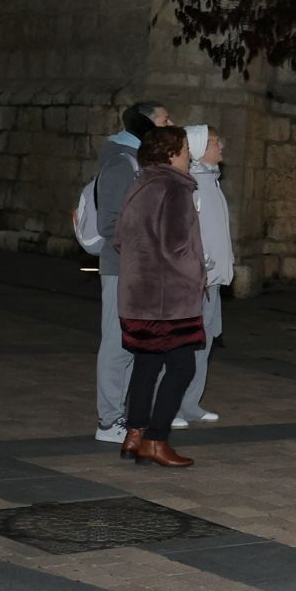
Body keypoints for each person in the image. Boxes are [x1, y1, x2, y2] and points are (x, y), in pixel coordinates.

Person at [115, 124, 206, 468]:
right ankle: (156, 439)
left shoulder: (139, 185)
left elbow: (120, 238)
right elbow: (177, 245)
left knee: (147, 363)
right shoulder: (174, 188)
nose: (189, 155)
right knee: (182, 366)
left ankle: (134, 434)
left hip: (138, 295)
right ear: (170, 154)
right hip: (169, 298)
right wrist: (198, 274)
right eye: (184, 149)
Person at [92, 101, 170, 442]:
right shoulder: (121, 163)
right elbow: (110, 224)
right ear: (147, 124)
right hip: (122, 267)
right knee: (116, 342)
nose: (171, 124)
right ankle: (108, 421)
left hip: (135, 266)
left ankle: (117, 414)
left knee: (129, 342)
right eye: (165, 119)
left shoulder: (135, 161)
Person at [176, 125, 231, 426]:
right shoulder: (192, 183)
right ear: (198, 148)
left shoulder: (212, 182)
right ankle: (169, 406)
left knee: (204, 344)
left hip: (212, 281)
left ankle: (190, 403)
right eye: (213, 141)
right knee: (183, 345)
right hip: (195, 280)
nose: (220, 145)